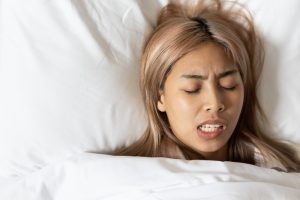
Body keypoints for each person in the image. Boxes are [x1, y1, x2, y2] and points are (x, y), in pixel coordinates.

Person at [113, 0, 300, 172]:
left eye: (229, 85)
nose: (215, 102)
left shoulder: (283, 171)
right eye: (192, 89)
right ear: (159, 97)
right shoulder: (126, 173)